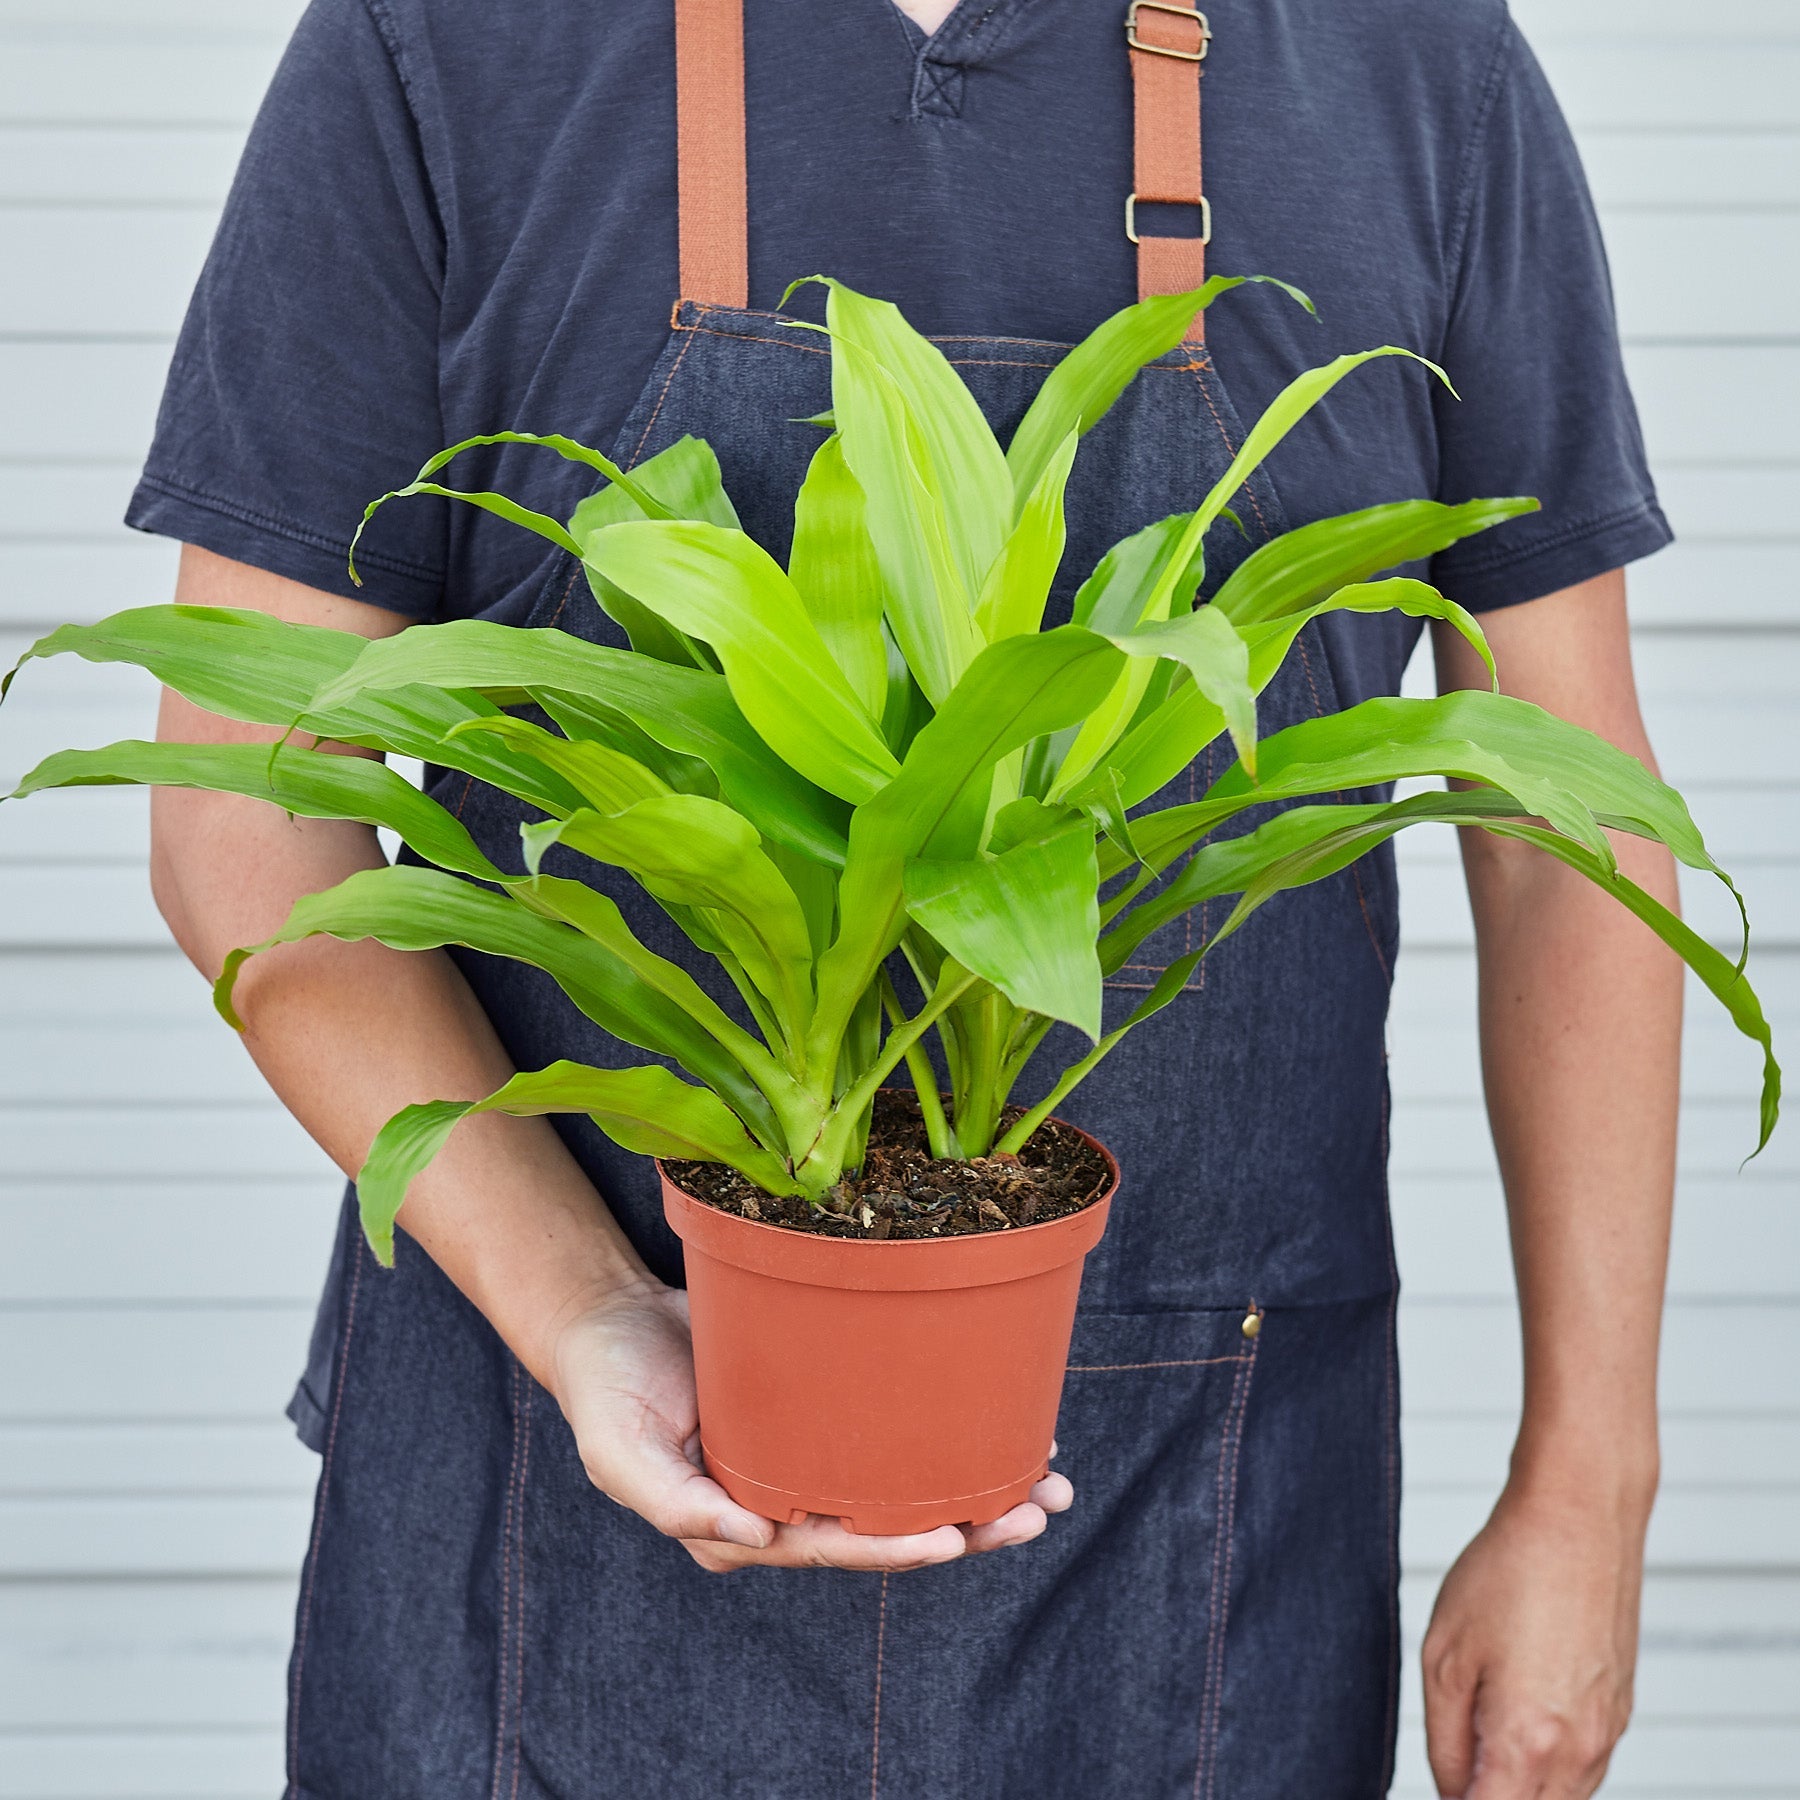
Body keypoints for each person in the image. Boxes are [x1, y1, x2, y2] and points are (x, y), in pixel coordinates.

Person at [130, 0, 1682, 1793]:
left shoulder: (1410, 63)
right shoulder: (444, 44)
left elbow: (1571, 836)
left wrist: (1591, 1484)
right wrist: (582, 1314)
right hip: (553, 1496)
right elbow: (243, 824)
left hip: (1202, 1519)